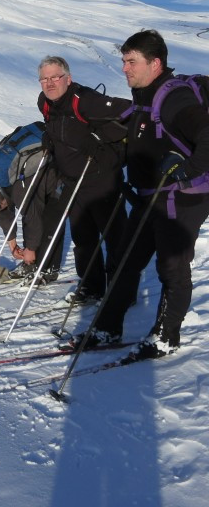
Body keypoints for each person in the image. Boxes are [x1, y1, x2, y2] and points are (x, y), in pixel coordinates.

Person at [82, 30, 209, 360]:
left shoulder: (174, 98)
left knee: (172, 268)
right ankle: (108, 328)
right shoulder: (142, 96)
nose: (124, 68)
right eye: (123, 60)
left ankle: (166, 337)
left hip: (180, 197)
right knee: (124, 263)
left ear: (155, 63)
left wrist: (189, 168)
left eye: (131, 61)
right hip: (148, 197)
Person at [37, 56, 131, 302]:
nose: (49, 83)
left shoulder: (86, 101)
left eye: (55, 77)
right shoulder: (45, 104)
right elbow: (59, 130)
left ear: (68, 78)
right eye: (44, 79)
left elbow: (130, 113)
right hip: (72, 182)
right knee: (83, 240)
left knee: (115, 237)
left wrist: (100, 138)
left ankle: (122, 291)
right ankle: (92, 287)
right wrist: (48, 137)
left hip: (102, 181)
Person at [0, 160, 65, 284]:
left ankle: (49, 270)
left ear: (1, 202)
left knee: (50, 223)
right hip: (34, 185)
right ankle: (31, 264)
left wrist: (31, 248)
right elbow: (3, 215)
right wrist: (12, 244)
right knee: (29, 219)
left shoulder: (18, 192)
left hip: (56, 182)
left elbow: (34, 220)